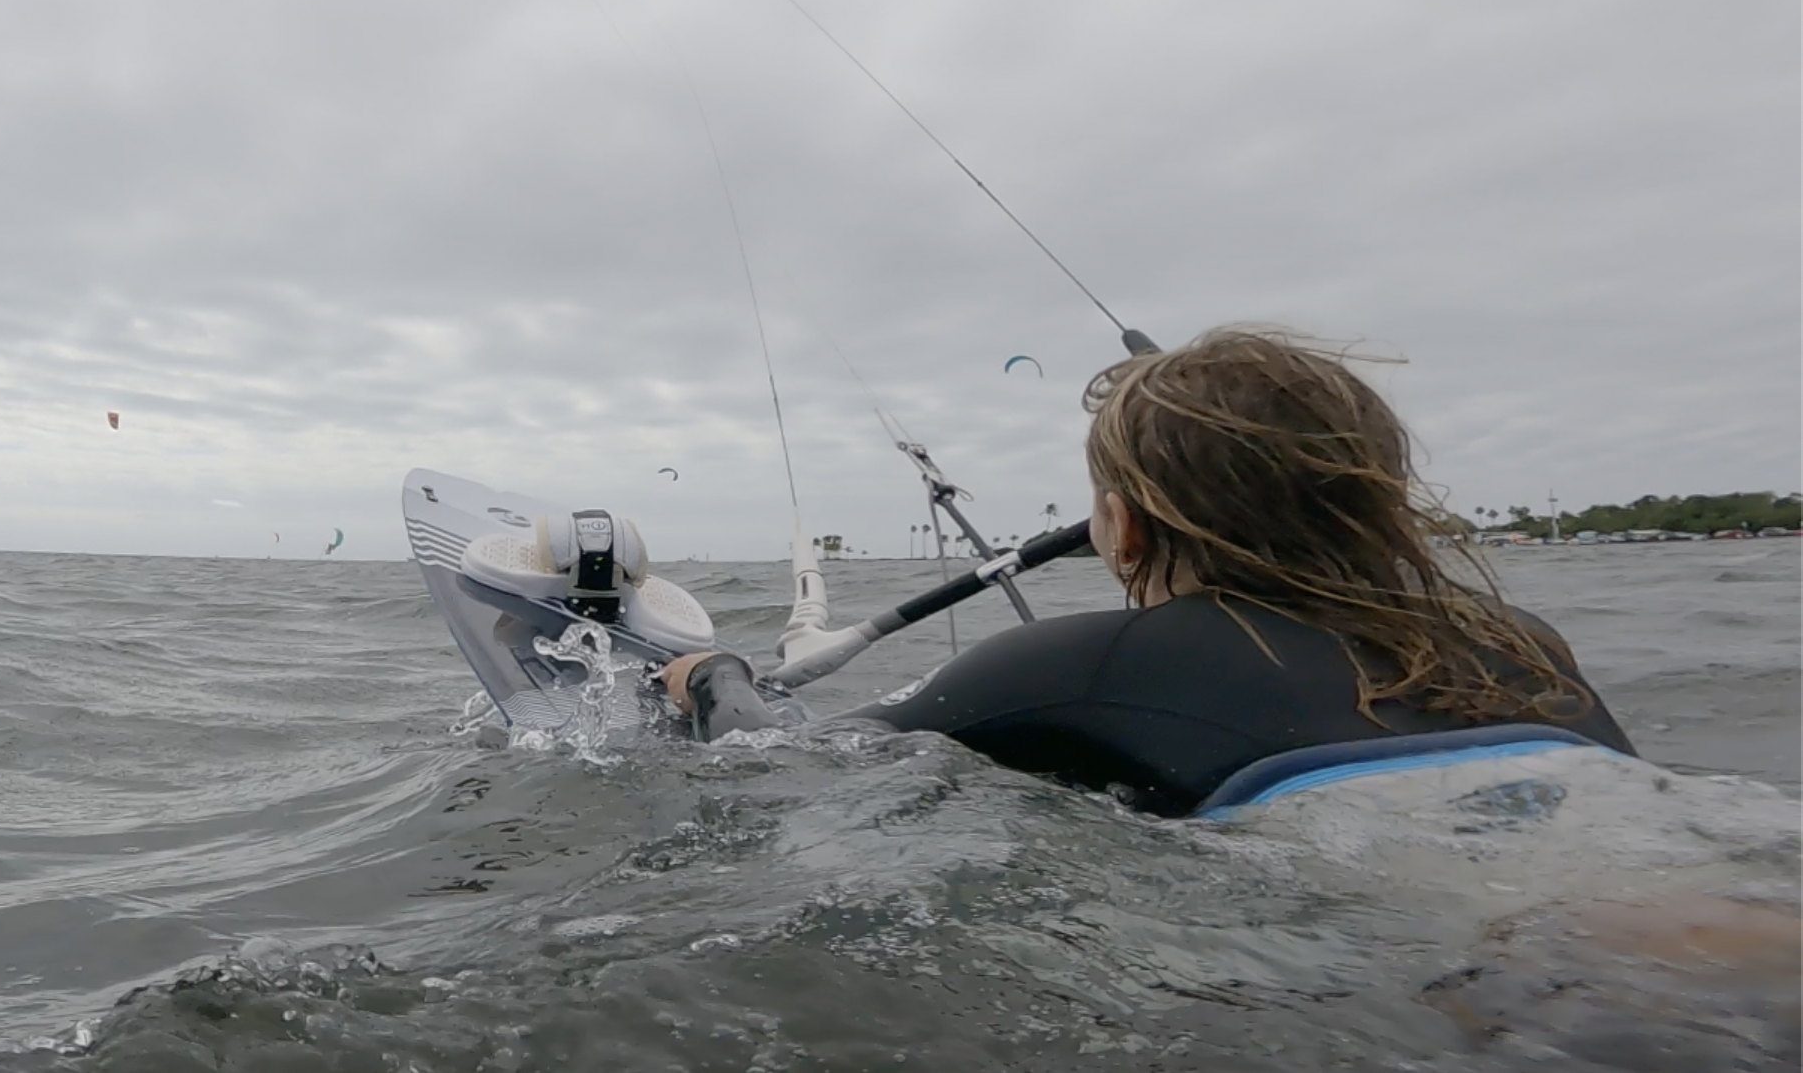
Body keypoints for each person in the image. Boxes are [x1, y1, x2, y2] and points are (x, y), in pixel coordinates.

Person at [662, 327, 1635, 817]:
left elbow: (775, 770)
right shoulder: (1522, 649)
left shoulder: (1084, 667)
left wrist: (711, 676)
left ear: (1119, 528)